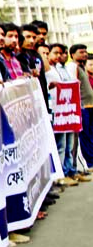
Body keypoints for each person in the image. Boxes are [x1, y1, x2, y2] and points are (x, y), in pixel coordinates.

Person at [45, 43, 79, 187]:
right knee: (60, 145)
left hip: (68, 112)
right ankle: (61, 174)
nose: (58, 56)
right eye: (55, 53)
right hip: (56, 112)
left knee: (69, 144)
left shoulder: (62, 69)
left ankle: (70, 170)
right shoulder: (47, 70)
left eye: (61, 53)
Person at [68, 44, 93, 176]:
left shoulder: (82, 67)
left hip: (89, 105)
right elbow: (74, 85)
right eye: (81, 52)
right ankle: (88, 162)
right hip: (82, 106)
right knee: (84, 136)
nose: (84, 54)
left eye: (85, 52)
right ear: (72, 54)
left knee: (90, 134)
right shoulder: (73, 67)